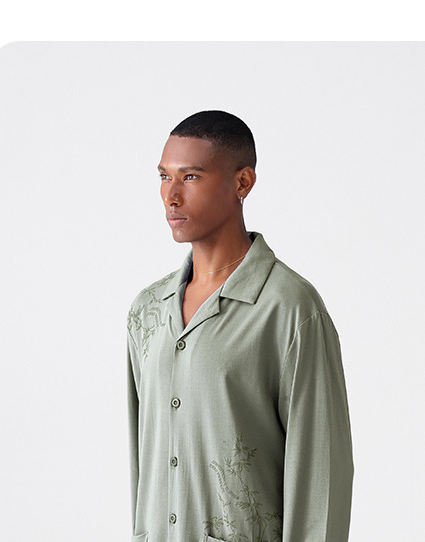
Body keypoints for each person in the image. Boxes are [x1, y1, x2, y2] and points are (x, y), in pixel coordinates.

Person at [126, 110, 354, 542]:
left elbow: (321, 477)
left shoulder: (290, 309)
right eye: (164, 176)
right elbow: (144, 463)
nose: (171, 196)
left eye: (190, 177)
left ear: (242, 183)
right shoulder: (148, 310)